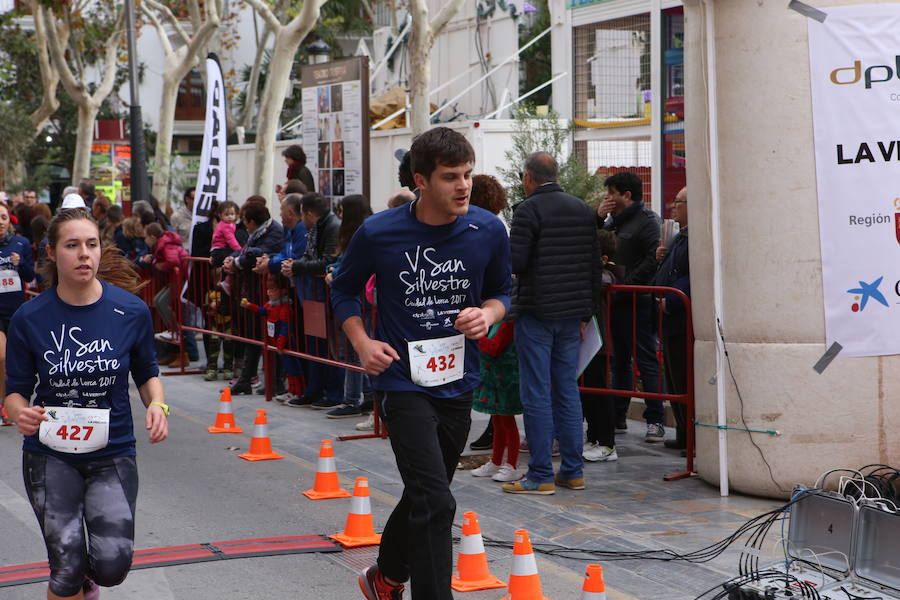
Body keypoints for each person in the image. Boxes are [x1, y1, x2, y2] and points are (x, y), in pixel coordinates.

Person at [331, 126, 511, 600]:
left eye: (468, 174)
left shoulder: (488, 229)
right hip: (401, 381)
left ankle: (385, 578)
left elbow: (504, 292)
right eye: (451, 176)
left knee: (425, 494)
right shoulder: (380, 231)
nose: (464, 186)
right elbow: (343, 290)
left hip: (459, 379)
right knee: (436, 499)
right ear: (421, 180)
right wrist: (362, 342)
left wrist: (487, 314)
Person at [4, 208, 168, 600]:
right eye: (72, 245)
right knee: (66, 568)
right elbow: (15, 390)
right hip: (49, 453)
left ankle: (87, 580)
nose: (84, 254)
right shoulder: (30, 317)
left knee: (113, 566)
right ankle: (73, 578)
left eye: (91, 245)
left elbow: (147, 373)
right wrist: (18, 413)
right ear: (51, 252)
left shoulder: (130, 311)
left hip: (112, 452)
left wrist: (157, 407)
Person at [503, 151, 600, 495]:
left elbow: (516, 261)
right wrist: (587, 314)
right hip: (572, 314)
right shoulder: (583, 209)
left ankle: (540, 474)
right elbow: (593, 266)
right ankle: (573, 471)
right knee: (567, 391)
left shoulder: (528, 210)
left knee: (536, 394)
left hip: (536, 312)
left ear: (528, 177)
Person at [598, 171, 664, 442]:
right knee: (619, 361)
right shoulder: (611, 221)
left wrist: (627, 285)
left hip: (637, 301)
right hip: (614, 302)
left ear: (627, 195)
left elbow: (652, 259)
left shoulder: (647, 222)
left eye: (612, 193)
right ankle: (617, 416)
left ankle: (655, 420)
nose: (608, 198)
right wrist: (599, 216)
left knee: (645, 359)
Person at [281, 193, 343, 409]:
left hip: (323, 295)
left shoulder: (332, 226)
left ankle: (333, 393)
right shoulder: (317, 227)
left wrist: (296, 267)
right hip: (313, 295)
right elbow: (310, 257)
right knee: (315, 344)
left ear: (308, 213)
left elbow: (328, 261)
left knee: (329, 347)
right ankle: (315, 389)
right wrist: (295, 264)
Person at [323, 194, 373, 419]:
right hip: (357, 297)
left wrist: (337, 273)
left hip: (361, 299)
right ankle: (367, 395)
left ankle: (352, 399)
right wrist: (334, 269)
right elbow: (344, 261)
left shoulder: (362, 233)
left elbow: (354, 264)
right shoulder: (356, 232)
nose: (338, 214)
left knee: (356, 349)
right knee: (359, 348)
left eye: (342, 210)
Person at [226, 202, 284, 395]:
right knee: (255, 335)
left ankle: (275, 382)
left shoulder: (274, 231)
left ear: (252, 221)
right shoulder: (256, 234)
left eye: (245, 221)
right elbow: (245, 251)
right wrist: (231, 259)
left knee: (273, 337)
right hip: (256, 292)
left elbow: (258, 254)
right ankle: (248, 379)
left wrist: (237, 262)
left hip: (271, 292)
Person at [580, 229, 623, 462]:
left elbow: (602, 281)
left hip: (599, 343)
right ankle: (594, 436)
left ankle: (608, 443)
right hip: (587, 345)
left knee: (599, 392)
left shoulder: (608, 274)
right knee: (588, 394)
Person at [654, 186, 690, 451]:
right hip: (669, 318)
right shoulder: (680, 236)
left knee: (683, 378)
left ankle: (689, 436)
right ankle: (682, 432)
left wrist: (674, 300)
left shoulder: (695, 237)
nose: (673, 207)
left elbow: (693, 276)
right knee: (673, 377)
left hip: (681, 318)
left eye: (678, 202)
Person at [0, 202, 35, 425]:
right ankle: (3, 402)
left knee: (14, 360)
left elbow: (31, 275)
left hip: (15, 310)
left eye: (3, 217)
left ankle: (15, 400)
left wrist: (19, 263)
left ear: (8, 219)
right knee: (1, 356)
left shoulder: (20, 243)